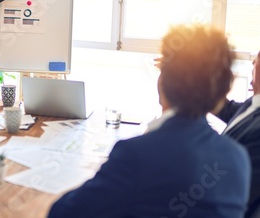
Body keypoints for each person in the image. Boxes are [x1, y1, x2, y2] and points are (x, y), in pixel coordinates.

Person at [48, 24, 251, 218]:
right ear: (221, 93)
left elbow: (62, 213)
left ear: (162, 82)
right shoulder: (237, 158)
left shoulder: (136, 155)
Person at [216, 50, 260, 217]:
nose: (252, 63)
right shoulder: (252, 103)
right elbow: (227, 110)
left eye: (256, 60)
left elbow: (239, 190)